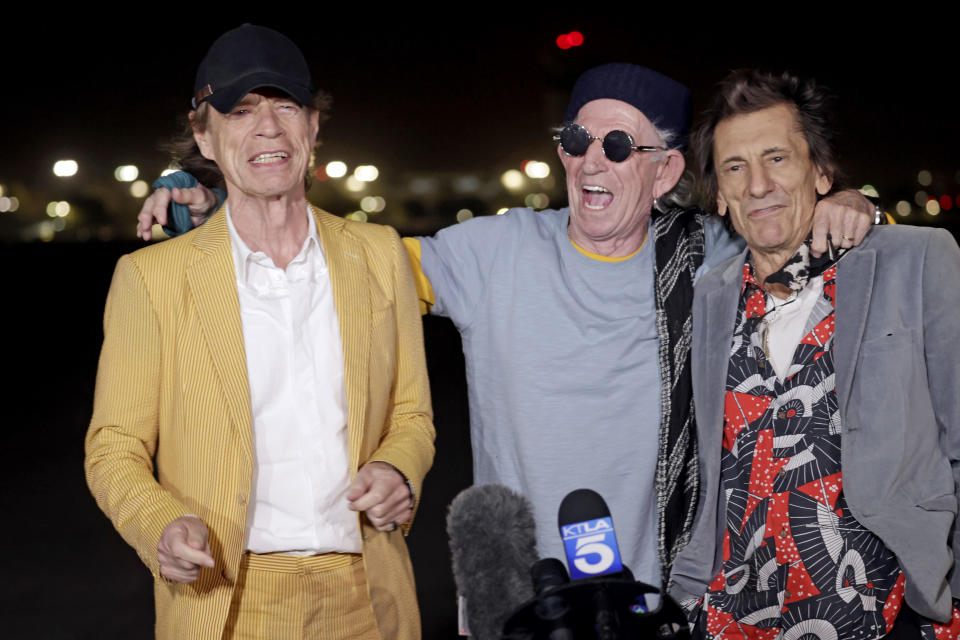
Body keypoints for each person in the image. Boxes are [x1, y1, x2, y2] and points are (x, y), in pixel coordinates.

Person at [137, 63, 876, 587]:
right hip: (516, 594)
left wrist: (855, 202)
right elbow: (333, 266)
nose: (591, 159)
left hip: (672, 591)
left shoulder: (710, 255)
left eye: (619, 147)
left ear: (664, 169)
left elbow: (792, 227)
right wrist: (218, 193)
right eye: (576, 139)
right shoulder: (494, 252)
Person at [86, 24, 434, 639]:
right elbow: (114, 447)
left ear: (313, 127)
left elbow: (411, 415)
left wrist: (399, 470)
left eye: (286, 106)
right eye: (240, 110)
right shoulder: (150, 279)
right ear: (204, 136)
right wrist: (160, 525)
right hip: (225, 598)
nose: (268, 127)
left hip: (368, 596)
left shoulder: (379, 255)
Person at [668, 69, 960, 639]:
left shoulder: (916, 260)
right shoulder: (710, 296)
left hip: (883, 609)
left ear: (821, 172)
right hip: (738, 613)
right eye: (735, 168)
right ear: (721, 199)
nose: (757, 185)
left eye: (776, 158)